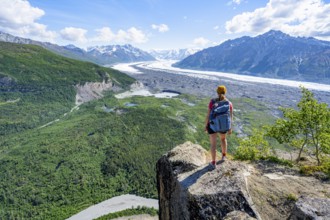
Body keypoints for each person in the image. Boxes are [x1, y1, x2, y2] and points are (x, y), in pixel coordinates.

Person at [205, 85, 233, 170]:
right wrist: (230, 127)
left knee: (213, 144)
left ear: (217, 92)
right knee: (223, 139)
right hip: (223, 125)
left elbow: (208, 115)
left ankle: (213, 163)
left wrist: (206, 125)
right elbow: (230, 116)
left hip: (213, 125)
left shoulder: (212, 102)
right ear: (225, 92)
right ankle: (224, 157)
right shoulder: (229, 103)